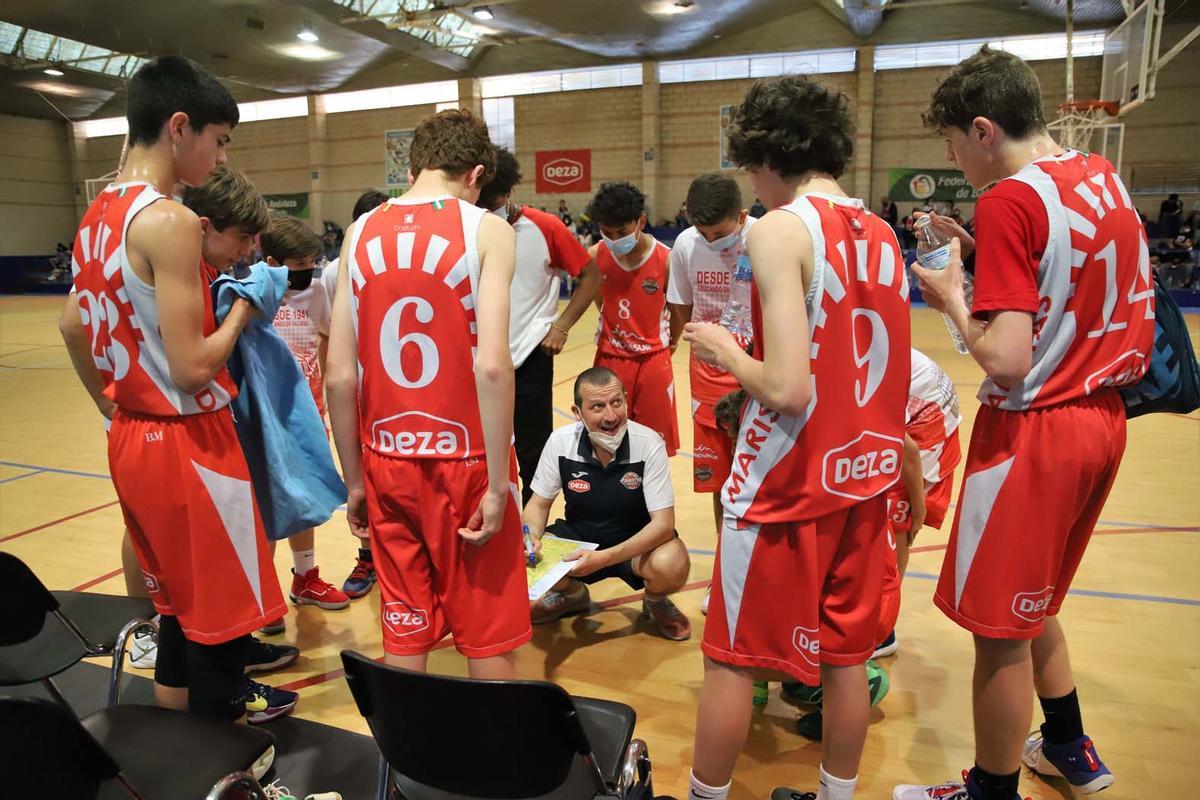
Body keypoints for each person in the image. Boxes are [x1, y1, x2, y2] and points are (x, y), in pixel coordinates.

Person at [894, 47, 1154, 800]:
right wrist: (985, 258)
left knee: (1000, 630)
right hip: (1104, 420)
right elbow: (1072, 280)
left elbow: (1006, 359)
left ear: (982, 129)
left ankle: (991, 790)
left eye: (950, 145)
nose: (951, 161)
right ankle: (1068, 745)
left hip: (1037, 429)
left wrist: (947, 293)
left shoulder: (1010, 198)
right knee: (1035, 602)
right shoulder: (1097, 175)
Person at [682, 74, 911, 800]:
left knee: (730, 660)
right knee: (847, 657)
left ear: (767, 153)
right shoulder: (880, 231)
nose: (750, 180)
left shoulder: (781, 226)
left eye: (749, 163)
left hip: (789, 477)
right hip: (863, 473)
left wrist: (722, 349)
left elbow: (785, 386)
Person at [62, 55, 293, 736]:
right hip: (188, 440)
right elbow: (194, 370)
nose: (220, 159)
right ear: (180, 127)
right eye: (219, 141)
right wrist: (245, 311)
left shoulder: (97, 215)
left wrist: (112, 405)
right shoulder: (171, 221)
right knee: (215, 627)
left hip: (133, 437)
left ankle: (174, 755)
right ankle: (225, 765)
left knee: (175, 615)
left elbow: (71, 322)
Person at [326, 109, 531, 679]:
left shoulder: (358, 232)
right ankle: (493, 765)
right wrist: (496, 484)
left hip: (386, 457)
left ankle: (406, 764)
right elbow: (492, 366)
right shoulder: (487, 229)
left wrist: (353, 480)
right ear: (477, 173)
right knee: (487, 640)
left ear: (412, 166)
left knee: (405, 627)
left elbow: (339, 376)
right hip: (463, 460)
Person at [524, 367, 692, 640]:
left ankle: (655, 600)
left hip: (635, 542)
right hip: (580, 539)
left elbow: (663, 525)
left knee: (672, 563)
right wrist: (529, 540)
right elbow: (538, 505)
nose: (611, 416)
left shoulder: (648, 443)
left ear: (627, 400)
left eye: (617, 403)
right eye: (598, 407)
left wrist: (604, 558)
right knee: (524, 560)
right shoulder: (560, 442)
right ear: (577, 413)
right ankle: (573, 595)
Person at [476, 146, 599, 506]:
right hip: (478, 358)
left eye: (493, 203)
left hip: (530, 355)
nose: (487, 211)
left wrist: (561, 326)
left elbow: (590, 276)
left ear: (509, 191)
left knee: (534, 453)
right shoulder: (467, 228)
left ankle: (534, 531)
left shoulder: (545, 226)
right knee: (483, 451)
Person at [257, 213, 352, 636]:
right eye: (299, 266)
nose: (309, 273)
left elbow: (328, 335)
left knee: (305, 499)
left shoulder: (316, 294)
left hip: (308, 413)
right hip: (266, 418)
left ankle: (305, 578)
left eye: (314, 264)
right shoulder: (255, 294)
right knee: (265, 508)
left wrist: (322, 383)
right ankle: (260, 593)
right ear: (272, 261)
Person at [666, 172, 755, 616]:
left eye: (719, 234)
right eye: (703, 232)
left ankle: (759, 576)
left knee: (758, 477)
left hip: (754, 374)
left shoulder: (764, 238)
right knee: (721, 486)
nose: (710, 240)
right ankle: (725, 575)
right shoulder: (684, 245)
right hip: (706, 378)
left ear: (741, 217)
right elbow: (681, 306)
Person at [317, 189, 389, 599]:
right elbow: (329, 334)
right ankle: (367, 555)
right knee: (359, 476)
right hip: (356, 390)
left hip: (396, 391)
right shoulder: (334, 273)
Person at [586, 181, 680, 455]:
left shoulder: (666, 259)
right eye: (607, 232)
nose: (614, 239)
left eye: (622, 232)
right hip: (610, 357)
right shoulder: (595, 256)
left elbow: (676, 310)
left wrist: (669, 341)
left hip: (652, 359)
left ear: (641, 221)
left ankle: (649, 498)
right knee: (606, 443)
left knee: (654, 445)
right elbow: (600, 300)